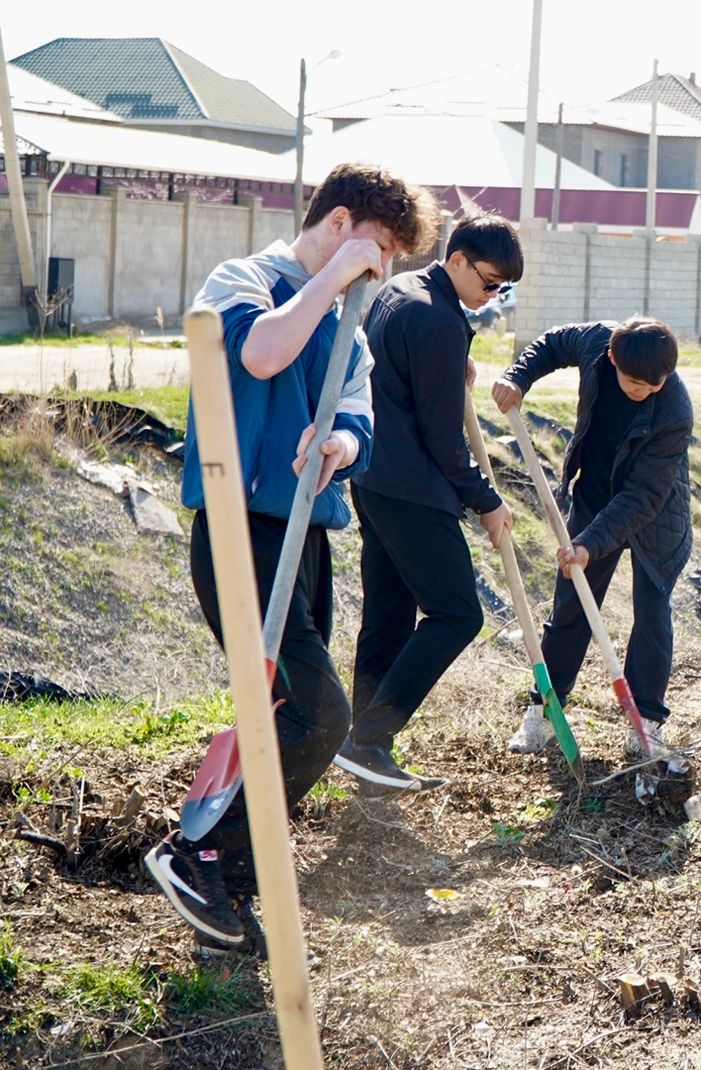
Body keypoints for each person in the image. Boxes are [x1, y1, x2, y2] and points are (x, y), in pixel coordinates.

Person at [146, 163, 437, 955]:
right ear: (339, 224)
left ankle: (226, 895)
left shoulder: (350, 322)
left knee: (280, 715)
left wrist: (339, 442)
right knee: (320, 714)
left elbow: (358, 412)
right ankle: (198, 853)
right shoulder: (245, 280)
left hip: (307, 531)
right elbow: (261, 356)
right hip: (239, 529)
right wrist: (332, 280)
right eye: (377, 251)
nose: (380, 274)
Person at [332, 213, 521, 794]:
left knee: (388, 612)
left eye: (503, 290)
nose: (492, 296)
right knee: (458, 614)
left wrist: (447, 366)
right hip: (413, 488)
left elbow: (398, 371)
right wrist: (487, 501)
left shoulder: (400, 290)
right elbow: (444, 441)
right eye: (489, 283)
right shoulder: (438, 319)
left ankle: (361, 748)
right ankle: (368, 737)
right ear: (458, 259)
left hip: (373, 475)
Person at [490, 317, 692, 757]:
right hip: (596, 491)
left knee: (652, 611)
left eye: (655, 384)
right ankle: (545, 712)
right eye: (636, 383)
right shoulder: (597, 342)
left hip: (655, 513)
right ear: (613, 358)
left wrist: (590, 543)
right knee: (572, 602)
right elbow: (549, 342)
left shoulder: (674, 408)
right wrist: (516, 377)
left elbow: (644, 495)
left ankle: (647, 723)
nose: (646, 392)